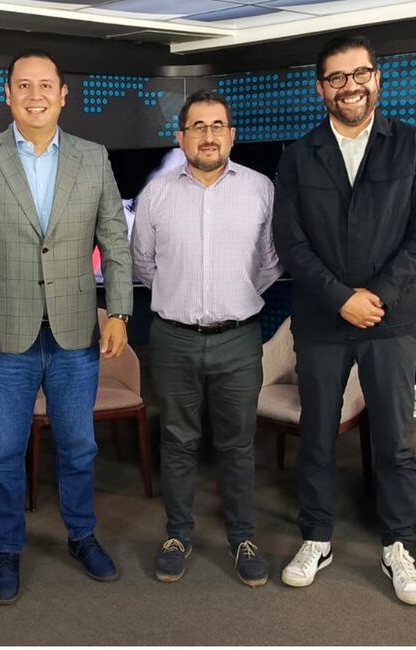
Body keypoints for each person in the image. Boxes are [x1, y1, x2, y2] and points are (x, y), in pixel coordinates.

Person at [0, 49, 133, 605]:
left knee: (79, 446)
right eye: (23, 85)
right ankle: (7, 548)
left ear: (63, 94)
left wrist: (118, 311)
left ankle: (81, 535)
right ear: (8, 94)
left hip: (77, 331)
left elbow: (115, 244)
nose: (35, 95)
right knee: (4, 452)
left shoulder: (93, 157)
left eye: (45, 85)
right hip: (3, 334)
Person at [271, 34, 416, 605]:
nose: (350, 86)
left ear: (377, 77)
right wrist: (339, 298)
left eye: (359, 74)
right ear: (320, 86)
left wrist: (375, 295)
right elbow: (290, 242)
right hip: (323, 320)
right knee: (317, 435)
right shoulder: (299, 155)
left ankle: (397, 546)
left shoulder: (414, 145)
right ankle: (316, 537)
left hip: (392, 319)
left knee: (395, 441)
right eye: (336, 78)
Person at [132, 90, 282, 587]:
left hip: (238, 340)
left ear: (231, 134)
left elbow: (270, 262)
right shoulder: (156, 192)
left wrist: (230, 298)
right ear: (181, 136)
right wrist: (184, 298)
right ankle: (177, 535)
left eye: (218, 125)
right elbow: (142, 264)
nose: (209, 135)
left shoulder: (261, 188)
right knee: (177, 442)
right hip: (172, 339)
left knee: (238, 446)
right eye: (198, 126)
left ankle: (242, 538)